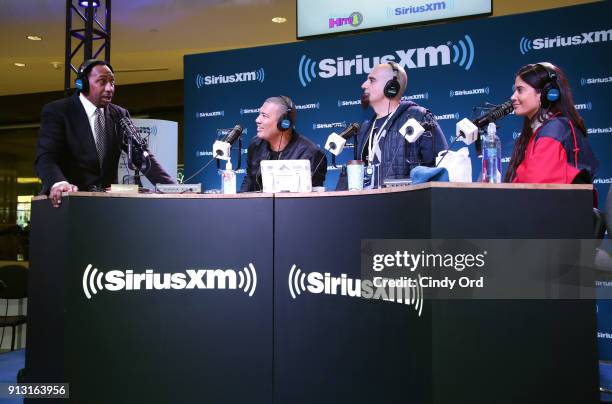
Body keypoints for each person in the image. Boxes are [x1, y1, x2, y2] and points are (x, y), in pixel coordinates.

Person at [35, 59, 174, 207]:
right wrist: (59, 183)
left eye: (112, 82)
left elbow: (140, 155)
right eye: (102, 82)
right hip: (68, 204)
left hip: (107, 207)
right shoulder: (58, 111)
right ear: (83, 84)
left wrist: (174, 189)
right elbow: (46, 157)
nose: (109, 88)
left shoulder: (119, 114)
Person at [356, 61, 447, 187]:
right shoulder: (365, 129)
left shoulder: (419, 118)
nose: (364, 85)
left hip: (407, 203)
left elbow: (441, 171)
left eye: (372, 80)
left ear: (391, 86)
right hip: (369, 203)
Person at [505, 62, 598, 184]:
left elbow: (534, 183)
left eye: (520, 90)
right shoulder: (544, 129)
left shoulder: (555, 128)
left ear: (544, 93)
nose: (513, 97)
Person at [240, 96, 327, 192]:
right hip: (258, 206)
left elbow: (313, 199)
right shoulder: (255, 144)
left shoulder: (311, 153)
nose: (257, 120)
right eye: (259, 114)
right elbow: (249, 179)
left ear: (283, 123)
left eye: (264, 116)